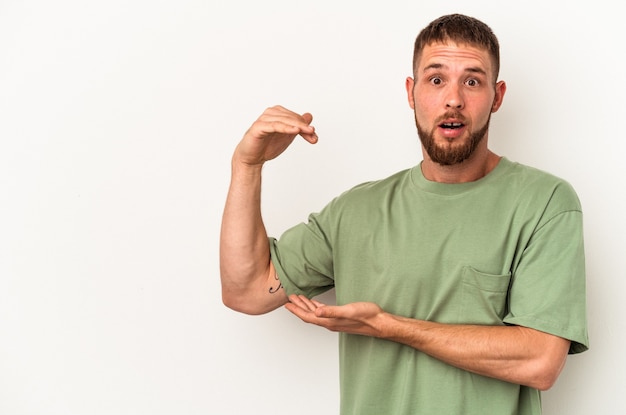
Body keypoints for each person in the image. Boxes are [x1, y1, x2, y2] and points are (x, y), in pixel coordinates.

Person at [219, 13, 589, 415]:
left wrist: (388, 326)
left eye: (472, 80)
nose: (453, 99)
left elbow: (540, 361)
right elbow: (248, 291)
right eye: (436, 79)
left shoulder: (545, 203)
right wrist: (247, 168)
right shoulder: (356, 212)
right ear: (411, 92)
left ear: (497, 96)